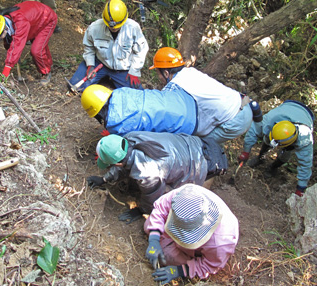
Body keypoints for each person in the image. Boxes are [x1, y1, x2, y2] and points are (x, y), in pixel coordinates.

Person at [86, 132, 227, 223]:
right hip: (196, 144)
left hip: (203, 163)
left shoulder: (147, 171)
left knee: (175, 198)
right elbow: (124, 161)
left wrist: (142, 210)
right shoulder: (131, 137)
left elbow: (153, 195)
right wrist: (105, 179)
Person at [150, 47, 253, 146]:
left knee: (197, 146)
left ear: (166, 73)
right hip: (244, 106)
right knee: (206, 140)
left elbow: (160, 112)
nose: (159, 77)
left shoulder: (175, 86)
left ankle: (213, 161)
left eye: (158, 73)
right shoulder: (190, 71)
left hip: (235, 119)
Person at [144, 184, 239, 283]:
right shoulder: (185, 195)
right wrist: (153, 239)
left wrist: (178, 271)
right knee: (148, 225)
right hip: (179, 223)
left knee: (167, 257)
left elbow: (210, 265)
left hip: (202, 249)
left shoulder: (221, 243)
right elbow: (161, 208)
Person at [238, 100, 315, 197]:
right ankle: (260, 158)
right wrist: (246, 151)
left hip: (306, 115)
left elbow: (305, 164)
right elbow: (253, 131)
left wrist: (301, 188)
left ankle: (273, 167)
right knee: (267, 140)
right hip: (288, 106)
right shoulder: (269, 120)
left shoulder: (304, 139)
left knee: (285, 154)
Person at [68, 0, 149, 91]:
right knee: (75, 85)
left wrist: (134, 71)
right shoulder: (94, 28)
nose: (113, 28)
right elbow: (89, 47)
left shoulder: (133, 28)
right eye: (110, 26)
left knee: (136, 94)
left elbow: (141, 51)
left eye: (116, 26)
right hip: (100, 64)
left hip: (122, 69)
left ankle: (112, 80)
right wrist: (90, 65)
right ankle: (105, 77)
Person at [0, 1, 57, 85]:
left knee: (37, 50)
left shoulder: (20, 22)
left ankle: (46, 72)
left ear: (3, 29)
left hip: (47, 19)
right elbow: (9, 43)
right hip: (36, 19)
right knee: (40, 44)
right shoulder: (5, 21)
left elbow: (17, 45)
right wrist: (14, 55)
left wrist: (6, 70)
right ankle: (48, 63)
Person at [81, 84, 198, 136]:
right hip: (185, 101)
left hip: (185, 126)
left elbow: (128, 147)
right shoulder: (122, 92)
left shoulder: (116, 125)